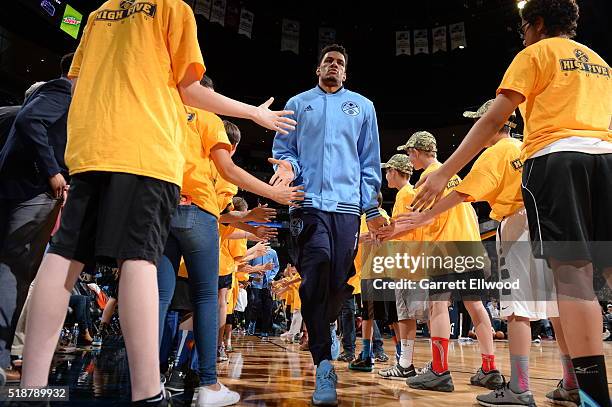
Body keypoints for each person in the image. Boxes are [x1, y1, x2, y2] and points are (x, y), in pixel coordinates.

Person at [19, 1, 297, 405]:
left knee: (63, 255)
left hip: (91, 149)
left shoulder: (100, 13)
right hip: (146, 155)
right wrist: (253, 113)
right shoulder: (172, 8)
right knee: (141, 262)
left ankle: (32, 387)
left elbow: (77, 85)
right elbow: (190, 89)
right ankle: (149, 390)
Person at [411, 1, 611, 405]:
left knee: (573, 280)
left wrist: (443, 170)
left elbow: (490, 119)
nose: (523, 36)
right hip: (605, 158)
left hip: (557, 159)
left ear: (536, 24)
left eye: (524, 28)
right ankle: (575, 388)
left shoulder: (535, 53)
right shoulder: (600, 62)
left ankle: (593, 397)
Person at [271, 43, 384, 405]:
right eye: (327, 62)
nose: (333, 66)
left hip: (348, 209)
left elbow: (369, 161)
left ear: (345, 72)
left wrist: (371, 207)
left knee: (338, 283)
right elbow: (284, 150)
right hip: (308, 204)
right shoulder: (297, 103)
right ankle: (323, 363)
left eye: (339, 63)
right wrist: (288, 167)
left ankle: (324, 325)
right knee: (316, 267)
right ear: (317, 69)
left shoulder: (363, 107)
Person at [378, 131, 502, 392]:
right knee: (476, 307)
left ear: (416, 152)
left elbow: (418, 222)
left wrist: (384, 233)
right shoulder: (451, 174)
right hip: (471, 245)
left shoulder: (428, 179)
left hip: (445, 248)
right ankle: (490, 368)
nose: (409, 158)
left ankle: (439, 370)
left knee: (438, 307)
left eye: (410, 153)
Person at [0, 54, 73, 380]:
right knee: (14, 273)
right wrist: (54, 171)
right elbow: (32, 122)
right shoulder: (62, 91)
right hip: (31, 192)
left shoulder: (11, 111)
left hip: (15, 190)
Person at [247, 247, 280, 339]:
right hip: (255, 283)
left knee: (268, 307)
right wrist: (251, 277)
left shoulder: (273, 252)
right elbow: (246, 266)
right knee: (255, 304)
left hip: (267, 285)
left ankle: (265, 330)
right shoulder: (253, 251)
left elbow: (276, 267)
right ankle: (252, 323)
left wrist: (270, 278)